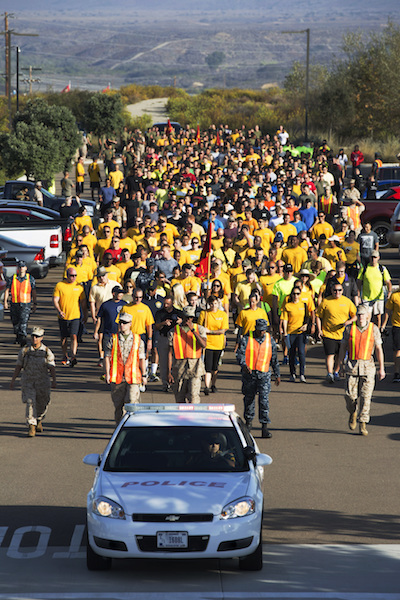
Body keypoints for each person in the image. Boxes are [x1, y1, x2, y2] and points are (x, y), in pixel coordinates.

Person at [337, 305, 385, 436]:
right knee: (349, 395)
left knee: (366, 397)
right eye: (359, 315)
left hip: (368, 367)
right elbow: (343, 348)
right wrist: (340, 365)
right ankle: (352, 412)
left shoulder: (373, 329)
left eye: (363, 314)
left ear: (368, 316)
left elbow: (379, 349)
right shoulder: (349, 329)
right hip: (352, 366)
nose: (361, 317)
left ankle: (363, 422)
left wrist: (382, 368)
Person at [236, 319, 280, 438]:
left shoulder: (269, 339)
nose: (261, 332)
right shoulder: (246, 338)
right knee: (249, 399)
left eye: (263, 330)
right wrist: (244, 365)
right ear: (256, 328)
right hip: (249, 375)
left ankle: (264, 427)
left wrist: (277, 374)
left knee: (264, 400)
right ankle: (248, 424)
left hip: (264, 374)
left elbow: (274, 357)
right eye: (260, 330)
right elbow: (240, 354)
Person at [9, 326, 56, 437]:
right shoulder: (25, 351)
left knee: (43, 403)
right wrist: (13, 380)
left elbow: (52, 367)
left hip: (42, 382)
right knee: (30, 402)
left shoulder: (46, 352)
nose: (35, 338)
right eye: (33, 336)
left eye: (37, 336)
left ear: (41, 338)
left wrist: (54, 380)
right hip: (28, 381)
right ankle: (31, 425)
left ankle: (39, 419)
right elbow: (18, 366)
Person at [104, 312, 147, 424]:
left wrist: (144, 375)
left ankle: (133, 426)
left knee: (132, 403)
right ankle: (120, 427)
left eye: (125, 323)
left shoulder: (138, 340)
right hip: (117, 377)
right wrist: (107, 374)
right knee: (118, 406)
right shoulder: (113, 339)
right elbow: (107, 357)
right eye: (121, 322)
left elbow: (142, 358)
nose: (122, 325)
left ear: (130, 324)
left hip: (133, 377)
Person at [316, 282, 357, 383]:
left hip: (343, 334)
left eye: (339, 290)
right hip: (328, 333)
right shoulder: (326, 301)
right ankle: (329, 373)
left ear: (342, 291)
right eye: (335, 290)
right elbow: (318, 316)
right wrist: (319, 330)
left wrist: (350, 321)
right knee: (330, 354)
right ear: (331, 290)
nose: (337, 292)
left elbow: (355, 315)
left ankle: (336, 372)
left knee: (340, 355)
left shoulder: (347, 301)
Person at [168, 305, 207, 404]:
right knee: (179, 399)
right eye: (186, 317)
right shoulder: (173, 331)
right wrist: (169, 372)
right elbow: (169, 353)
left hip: (195, 368)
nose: (188, 320)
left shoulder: (200, 329)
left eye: (191, 317)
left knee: (194, 397)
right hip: (179, 368)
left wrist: (193, 331)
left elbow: (203, 344)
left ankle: (194, 417)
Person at [53, 267, 87, 367]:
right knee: (64, 337)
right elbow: (55, 300)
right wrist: (59, 311)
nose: (73, 278)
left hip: (75, 315)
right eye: (71, 276)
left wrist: (85, 314)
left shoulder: (79, 286)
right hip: (63, 316)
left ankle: (73, 356)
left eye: (75, 276)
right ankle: (64, 355)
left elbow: (83, 302)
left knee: (74, 336)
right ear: (67, 276)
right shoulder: (60, 285)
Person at [198, 295, 229, 395]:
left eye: (215, 303)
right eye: (211, 304)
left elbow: (223, 330)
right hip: (207, 344)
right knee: (208, 365)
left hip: (218, 344)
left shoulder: (223, 314)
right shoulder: (204, 313)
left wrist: (210, 331)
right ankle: (206, 386)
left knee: (215, 367)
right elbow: (199, 327)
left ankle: (213, 384)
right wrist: (204, 331)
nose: (213, 306)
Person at [280, 287, 310, 383]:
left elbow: (307, 317)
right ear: (291, 295)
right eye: (294, 294)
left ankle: (302, 374)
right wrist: (285, 332)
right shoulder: (288, 306)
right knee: (292, 353)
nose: (295, 296)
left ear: (300, 294)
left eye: (297, 293)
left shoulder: (303, 305)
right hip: (291, 332)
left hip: (301, 333)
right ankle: (292, 373)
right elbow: (285, 319)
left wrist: (306, 325)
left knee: (301, 352)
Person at [4, 261, 37, 346]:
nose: (21, 268)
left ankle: (23, 339)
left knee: (23, 322)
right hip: (14, 304)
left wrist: (35, 303)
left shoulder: (30, 278)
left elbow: (33, 292)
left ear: (26, 268)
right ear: (17, 268)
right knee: (15, 322)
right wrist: (5, 302)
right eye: (20, 267)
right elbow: (7, 290)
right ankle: (18, 336)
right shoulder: (13, 278)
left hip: (25, 304)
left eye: (23, 267)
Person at [154, 295, 183, 392]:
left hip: (176, 339)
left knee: (176, 362)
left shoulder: (178, 313)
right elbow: (156, 327)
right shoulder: (159, 313)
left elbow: (187, 323)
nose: (165, 305)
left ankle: (175, 382)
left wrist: (181, 321)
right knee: (163, 362)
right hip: (164, 338)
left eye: (168, 304)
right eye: (164, 303)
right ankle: (165, 384)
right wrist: (163, 323)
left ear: (172, 303)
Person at [357, 250, 391, 329]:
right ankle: (366, 332)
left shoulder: (382, 269)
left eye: (375, 257)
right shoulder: (364, 269)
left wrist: (389, 291)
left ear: (378, 258)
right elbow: (359, 282)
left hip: (378, 298)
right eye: (372, 257)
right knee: (367, 317)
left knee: (378, 317)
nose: (373, 259)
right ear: (369, 258)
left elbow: (388, 282)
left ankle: (377, 332)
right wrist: (358, 295)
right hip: (366, 297)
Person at [382, 287, 400, 382]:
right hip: (397, 326)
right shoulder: (394, 296)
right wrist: (384, 325)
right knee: (397, 350)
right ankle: (397, 373)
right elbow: (388, 311)